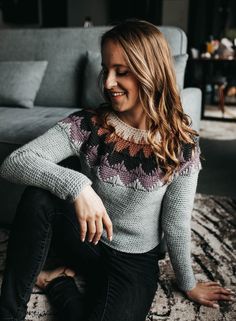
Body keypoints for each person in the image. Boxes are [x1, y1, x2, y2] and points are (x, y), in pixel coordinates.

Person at [0, 20, 234, 321]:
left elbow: (176, 223)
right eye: (106, 69)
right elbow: (15, 161)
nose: (108, 83)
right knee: (39, 196)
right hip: (85, 239)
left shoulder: (182, 145)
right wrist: (78, 186)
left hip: (133, 263)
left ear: (151, 72)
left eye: (121, 72)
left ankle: (57, 282)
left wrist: (188, 284)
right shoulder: (88, 124)